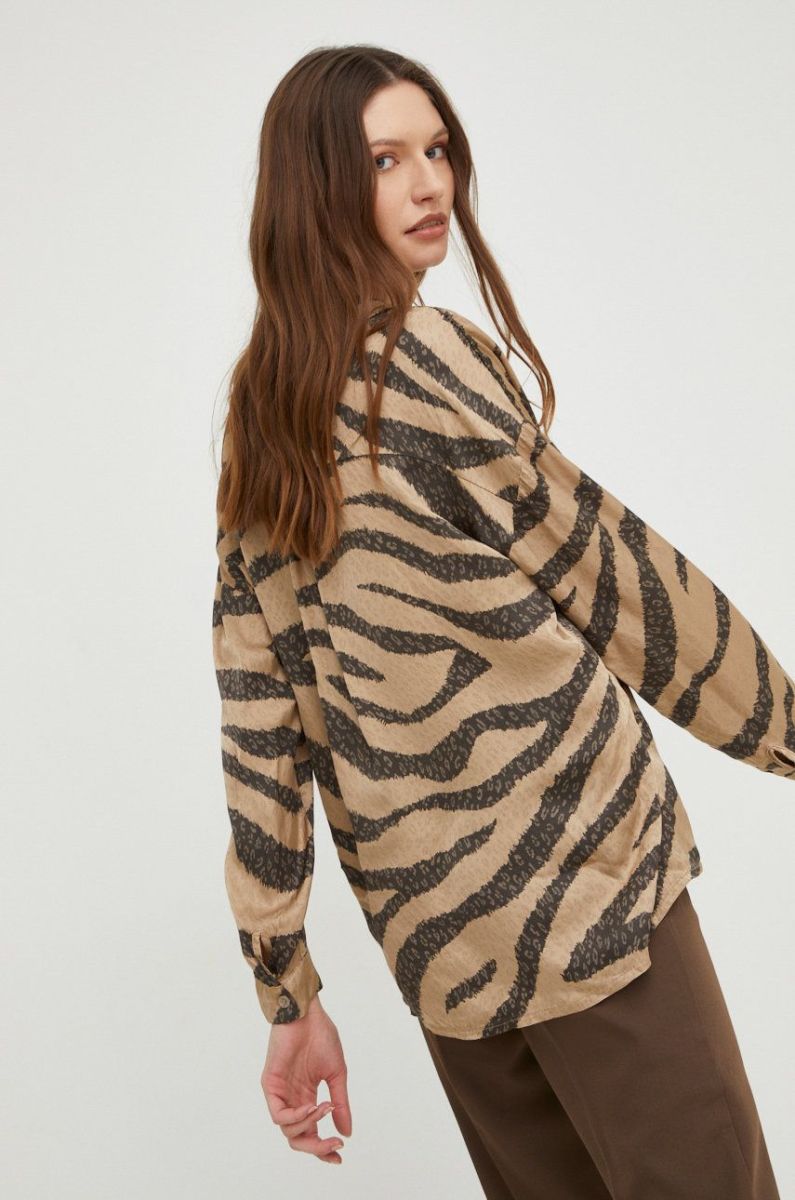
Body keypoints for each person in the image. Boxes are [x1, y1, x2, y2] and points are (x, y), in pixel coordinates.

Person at [211, 44, 792, 1196]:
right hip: (585, 887)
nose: (431, 183)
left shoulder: (262, 409)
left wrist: (288, 990)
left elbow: (259, 716)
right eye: (385, 160)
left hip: (442, 947)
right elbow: (608, 573)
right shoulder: (423, 359)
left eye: (436, 150)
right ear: (314, 186)